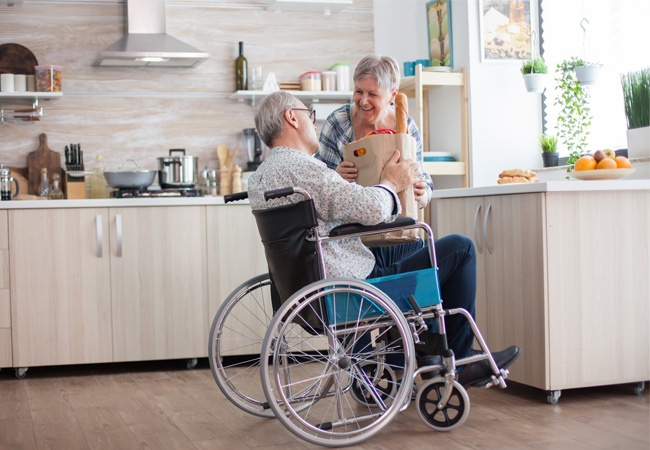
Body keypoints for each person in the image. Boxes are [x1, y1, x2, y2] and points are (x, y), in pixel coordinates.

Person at [248, 90, 519, 388]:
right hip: (351, 291)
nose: (314, 123)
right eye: (309, 116)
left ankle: (417, 358)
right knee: (460, 247)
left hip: (306, 292)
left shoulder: (261, 176)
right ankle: (457, 361)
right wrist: (391, 180)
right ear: (292, 118)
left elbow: (330, 214)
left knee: (409, 251)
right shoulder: (305, 168)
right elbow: (371, 208)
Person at [316, 55, 432, 210]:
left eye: (372, 94)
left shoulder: (407, 127)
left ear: (392, 95)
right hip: (350, 226)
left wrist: (421, 195)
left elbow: (425, 184)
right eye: (359, 91)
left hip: (397, 225)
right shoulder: (338, 122)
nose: (363, 101)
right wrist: (334, 177)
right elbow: (317, 187)